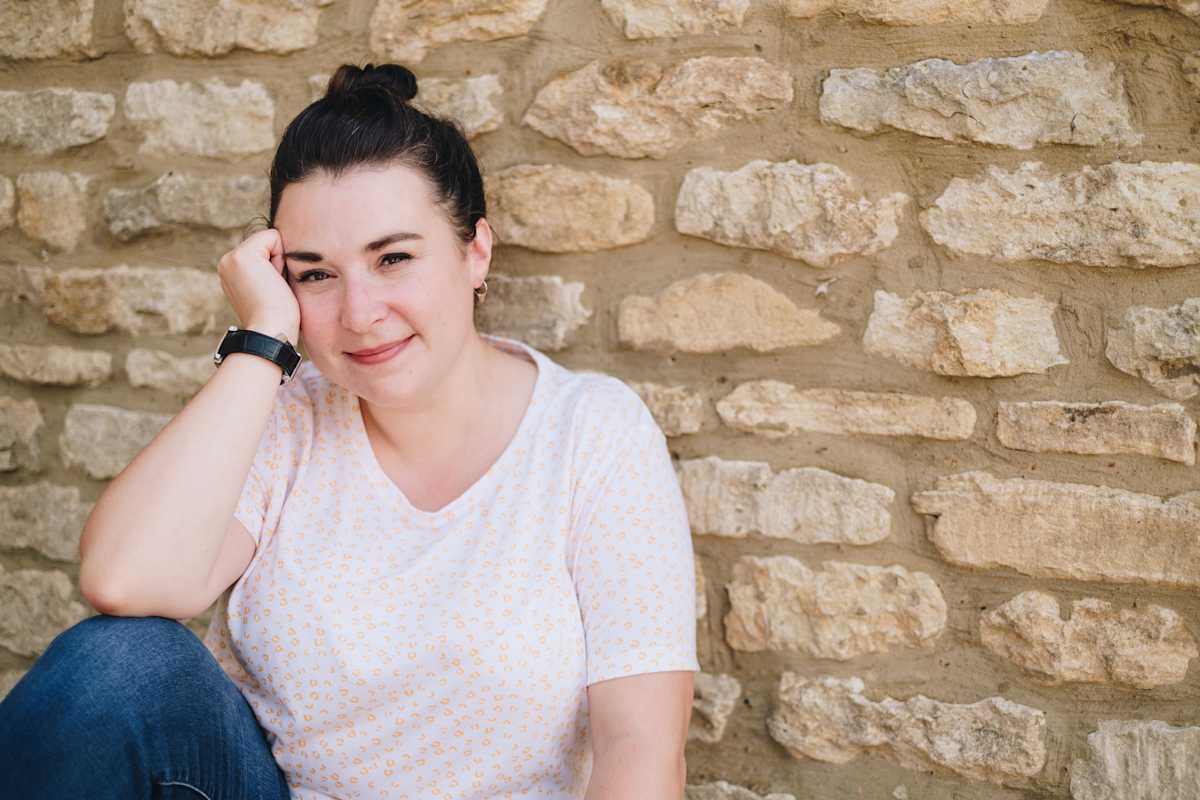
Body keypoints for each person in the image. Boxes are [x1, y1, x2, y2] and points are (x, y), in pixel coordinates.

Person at [0, 63, 700, 799]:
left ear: (475, 252)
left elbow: (639, 750)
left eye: (393, 258)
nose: (360, 314)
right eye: (315, 275)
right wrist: (262, 343)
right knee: (120, 660)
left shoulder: (592, 433)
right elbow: (123, 579)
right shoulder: (284, 415)